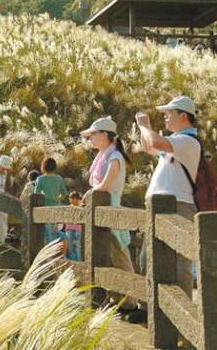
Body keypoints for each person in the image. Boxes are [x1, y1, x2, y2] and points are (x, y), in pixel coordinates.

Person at [136, 96, 200, 297]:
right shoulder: (177, 142)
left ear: (183, 115)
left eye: (168, 114)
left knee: (180, 263)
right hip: (161, 207)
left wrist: (145, 125)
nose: (165, 118)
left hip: (179, 205)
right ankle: (149, 307)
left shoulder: (188, 141)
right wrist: (142, 130)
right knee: (149, 259)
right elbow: (149, 147)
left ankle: (184, 314)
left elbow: (154, 141)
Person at [81, 116, 139, 312]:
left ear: (104, 135)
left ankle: (130, 300)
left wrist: (91, 193)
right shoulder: (106, 155)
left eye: (92, 135)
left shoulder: (114, 157)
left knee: (119, 255)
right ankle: (118, 298)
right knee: (108, 256)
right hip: (102, 209)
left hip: (110, 210)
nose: (90, 139)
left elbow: (106, 185)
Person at [34, 157, 68, 244]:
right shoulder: (59, 178)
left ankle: (48, 251)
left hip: (45, 207)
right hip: (56, 207)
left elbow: (36, 194)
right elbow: (65, 194)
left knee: (46, 232)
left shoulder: (40, 179)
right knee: (55, 231)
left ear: (43, 167)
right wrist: (57, 198)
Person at [64, 191, 83, 261]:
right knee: (70, 246)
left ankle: (79, 260)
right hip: (69, 228)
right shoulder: (68, 207)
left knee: (78, 245)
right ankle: (73, 260)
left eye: (73, 198)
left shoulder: (81, 207)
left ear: (77, 199)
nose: (71, 200)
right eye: (70, 198)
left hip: (78, 228)